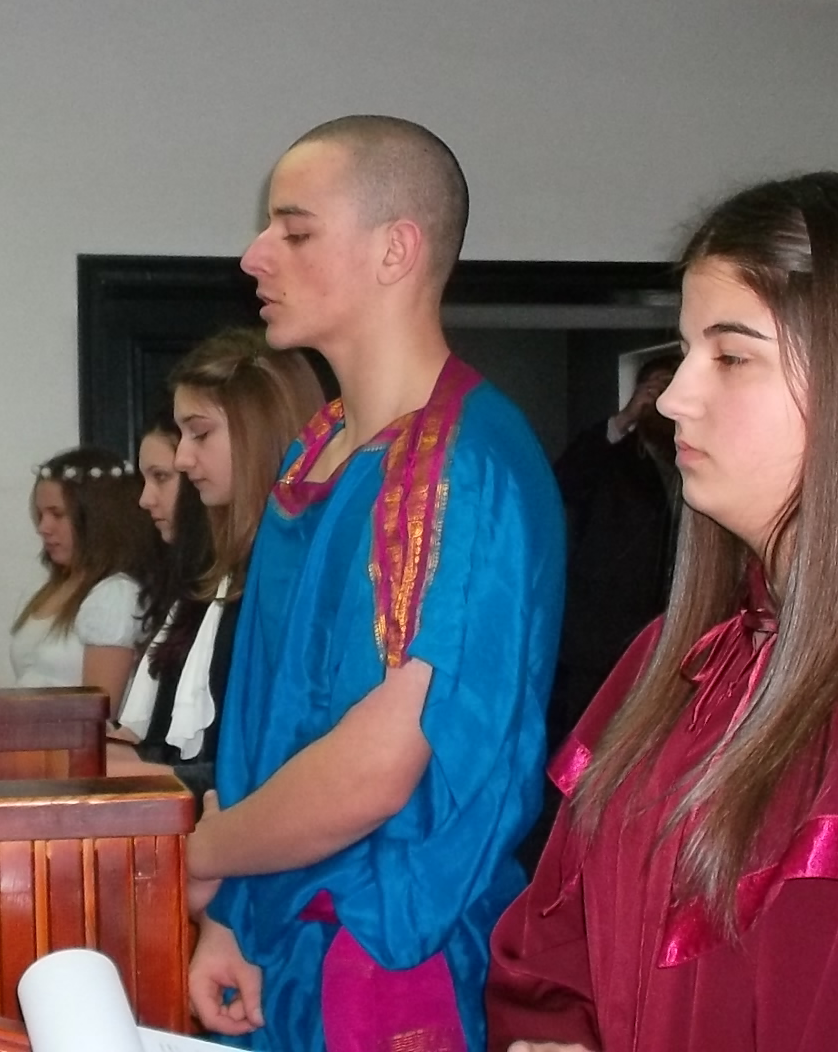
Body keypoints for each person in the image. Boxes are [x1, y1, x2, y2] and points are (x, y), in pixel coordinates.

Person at [484, 173, 838, 1052]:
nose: (673, 398)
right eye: (684, 351)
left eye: (731, 356)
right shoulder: (680, 662)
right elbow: (558, 948)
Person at [185, 115, 566, 1052]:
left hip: (383, 949)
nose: (254, 255)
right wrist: (231, 913)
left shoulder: (461, 464)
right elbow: (272, 717)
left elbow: (374, 770)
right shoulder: (319, 447)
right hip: (280, 926)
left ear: (397, 249)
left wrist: (194, 856)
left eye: (294, 230)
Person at [112, 331, 325, 794]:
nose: (183, 458)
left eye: (201, 433)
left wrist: (155, 778)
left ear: (261, 428)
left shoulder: (303, 573)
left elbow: (292, 766)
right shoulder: (227, 571)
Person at [518, 353, 683, 872]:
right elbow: (562, 482)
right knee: (578, 751)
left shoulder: (694, 456)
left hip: (667, 637)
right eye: (657, 386)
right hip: (597, 636)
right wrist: (626, 419)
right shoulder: (611, 455)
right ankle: (559, 855)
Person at [8, 445, 158, 704]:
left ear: (99, 518)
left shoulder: (115, 594)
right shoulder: (41, 589)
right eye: (40, 514)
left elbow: (98, 713)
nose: (43, 527)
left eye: (57, 514)